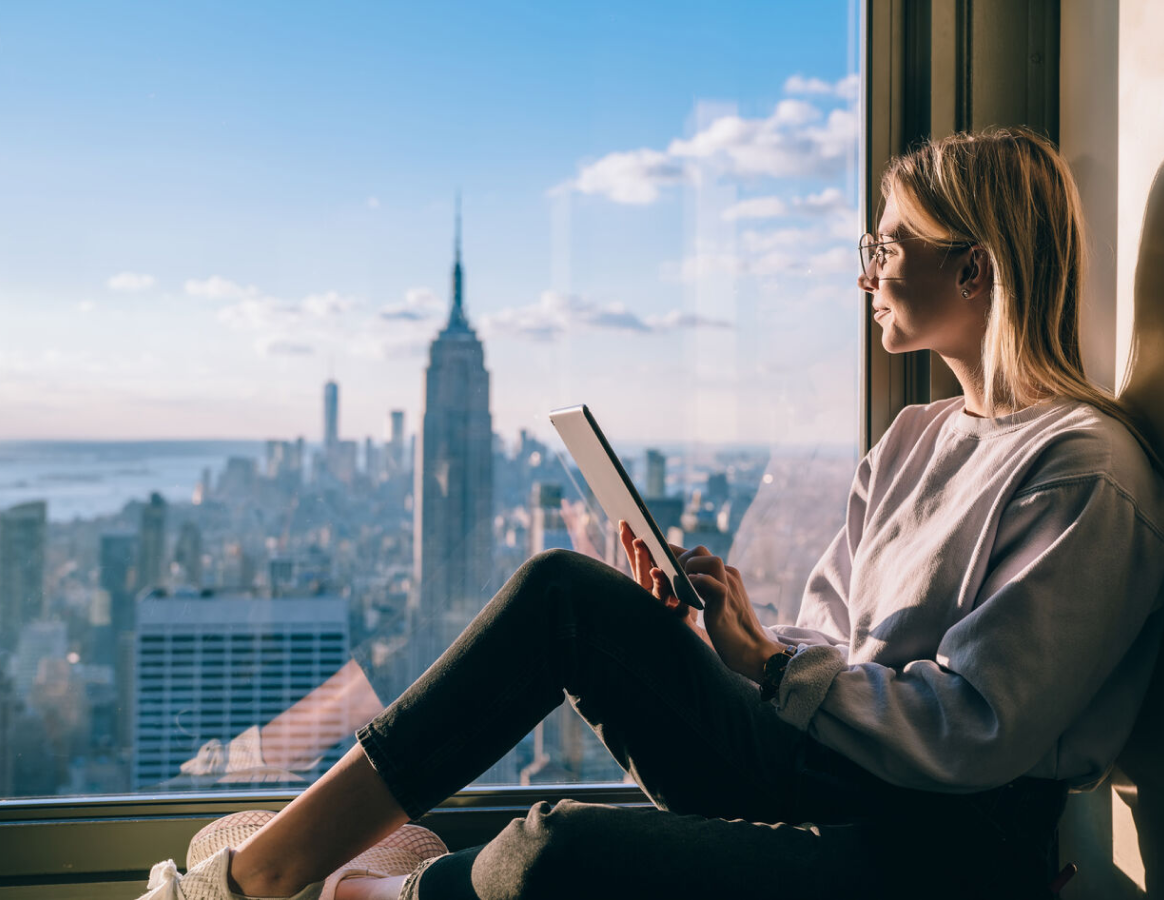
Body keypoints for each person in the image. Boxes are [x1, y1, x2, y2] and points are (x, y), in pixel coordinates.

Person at [138, 127, 1164, 900]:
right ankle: (259, 880)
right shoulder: (916, 438)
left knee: (557, 849)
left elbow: (976, 734)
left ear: (973, 267)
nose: (865, 269)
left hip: (949, 846)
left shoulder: (1084, 471)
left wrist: (770, 665)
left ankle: (377, 888)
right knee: (564, 596)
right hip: (826, 766)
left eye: (887, 243)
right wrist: (718, 639)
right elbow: (833, 649)